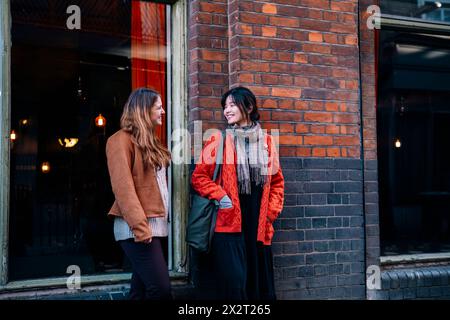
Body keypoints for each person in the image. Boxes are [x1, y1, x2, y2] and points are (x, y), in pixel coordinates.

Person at [191, 86, 285, 300]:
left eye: (232, 105)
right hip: (229, 226)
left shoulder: (268, 142)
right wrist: (221, 196)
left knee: (258, 288)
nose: (227, 110)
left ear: (249, 107)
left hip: (258, 227)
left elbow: (277, 182)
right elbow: (199, 177)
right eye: (225, 106)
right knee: (234, 287)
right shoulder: (218, 140)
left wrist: (270, 213)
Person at [106, 87, 172, 300]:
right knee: (161, 290)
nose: (163, 112)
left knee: (141, 291)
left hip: (156, 227)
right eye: (159, 107)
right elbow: (123, 189)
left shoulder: (150, 141)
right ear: (144, 111)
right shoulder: (119, 140)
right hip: (137, 229)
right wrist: (141, 228)